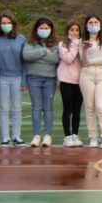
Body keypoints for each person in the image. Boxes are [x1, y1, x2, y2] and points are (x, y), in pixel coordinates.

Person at [0, 11, 27, 148]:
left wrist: (24, 80)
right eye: (3, 23)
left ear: (13, 24)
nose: (6, 25)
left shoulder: (21, 39)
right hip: (3, 77)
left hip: (18, 77)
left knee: (17, 108)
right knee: (3, 108)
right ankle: (4, 137)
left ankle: (16, 136)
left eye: (8, 23)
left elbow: (25, 61)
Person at [22, 17, 60, 148]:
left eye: (46, 28)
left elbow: (55, 58)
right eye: (41, 28)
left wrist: (36, 56)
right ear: (36, 29)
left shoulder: (55, 43)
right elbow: (26, 56)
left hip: (49, 79)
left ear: (51, 29)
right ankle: (36, 135)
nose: (44, 30)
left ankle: (47, 135)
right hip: (33, 79)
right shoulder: (30, 42)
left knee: (48, 108)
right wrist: (44, 51)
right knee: (36, 108)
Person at [80, 15, 102, 149]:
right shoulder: (82, 42)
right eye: (90, 22)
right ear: (86, 25)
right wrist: (84, 49)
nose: (93, 24)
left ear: (100, 24)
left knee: (101, 105)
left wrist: (90, 61)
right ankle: (93, 137)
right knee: (89, 107)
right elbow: (83, 60)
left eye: (96, 22)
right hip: (86, 74)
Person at [57, 21, 84, 147]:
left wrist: (82, 46)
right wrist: (75, 44)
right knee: (68, 109)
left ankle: (75, 134)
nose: (74, 32)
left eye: (77, 30)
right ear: (67, 31)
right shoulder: (62, 44)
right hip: (66, 80)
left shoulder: (82, 44)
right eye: (72, 30)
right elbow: (68, 59)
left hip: (80, 80)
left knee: (77, 110)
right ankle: (67, 136)